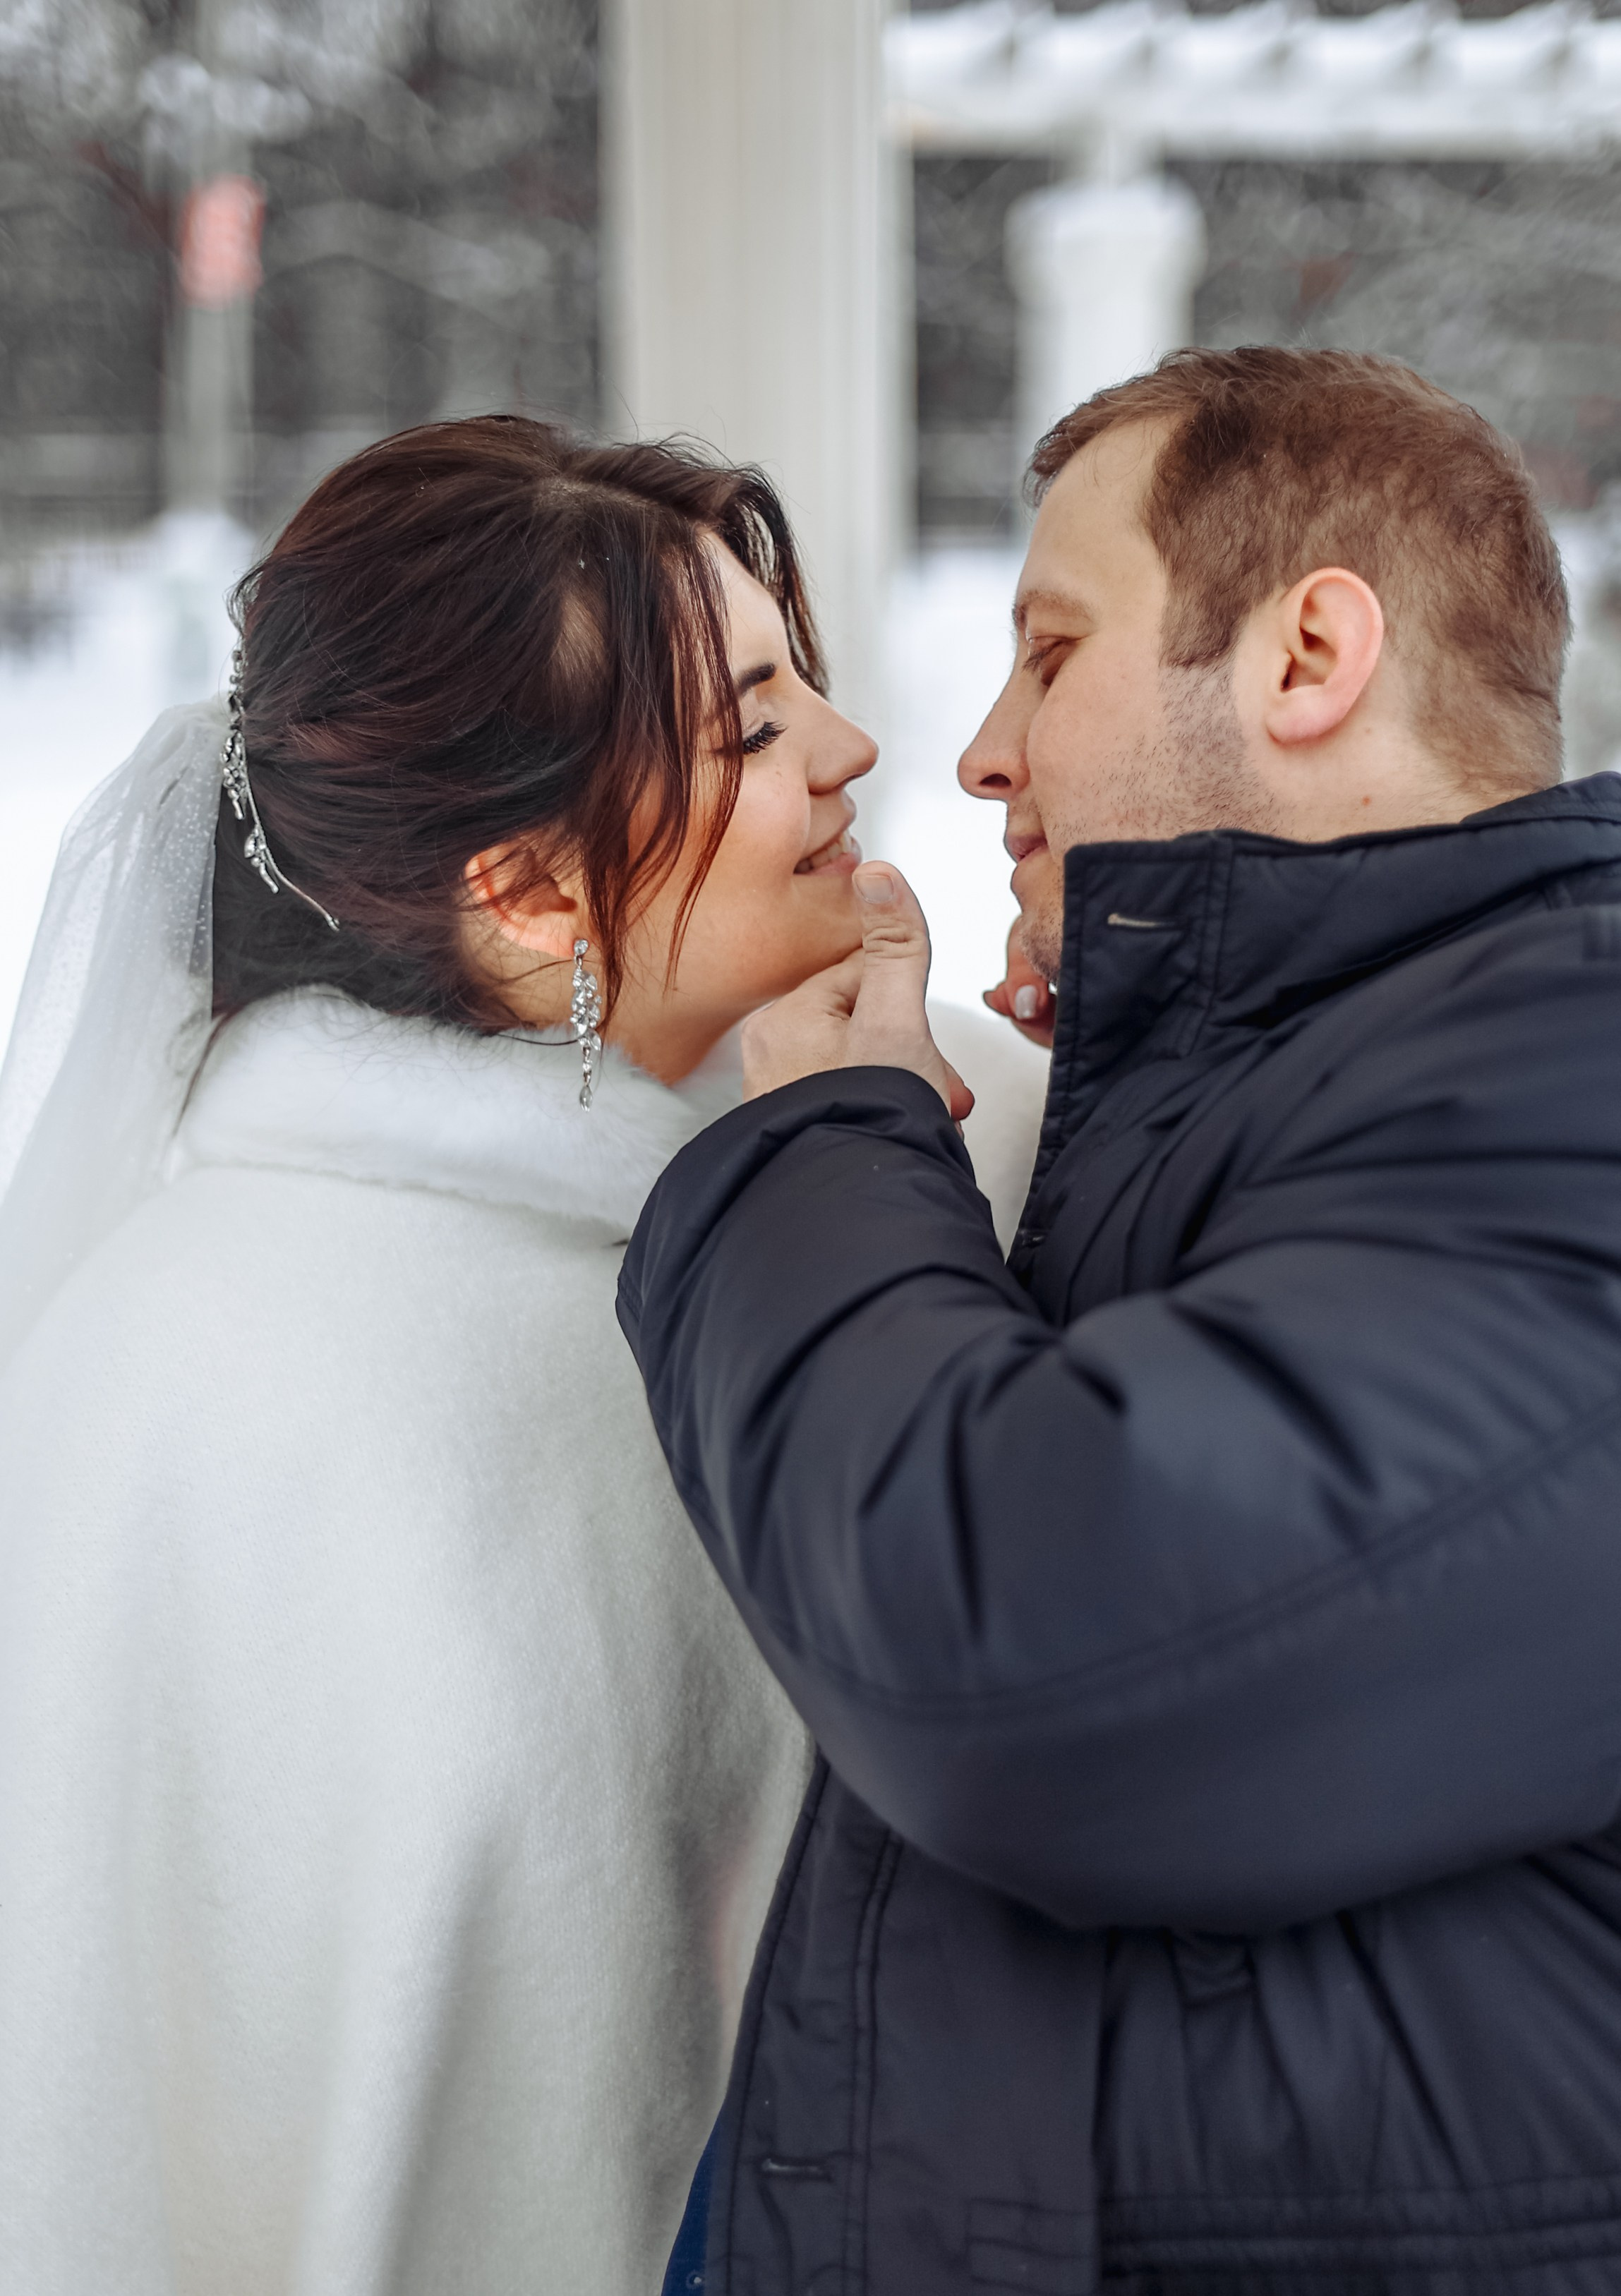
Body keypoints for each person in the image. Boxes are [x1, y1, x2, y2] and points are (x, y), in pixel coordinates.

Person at [0, 416, 1045, 2296]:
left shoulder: (932, 1123)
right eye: (749, 728)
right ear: (532, 896)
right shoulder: (231, 1369)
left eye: (796, 674)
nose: (852, 746)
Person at [617, 347, 1621, 2293]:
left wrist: (840, 1142)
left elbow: (1022, 1654)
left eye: (1050, 651)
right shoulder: (1410, 1067)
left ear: (1307, 655)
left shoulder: (1574, 1078)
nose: (980, 752)